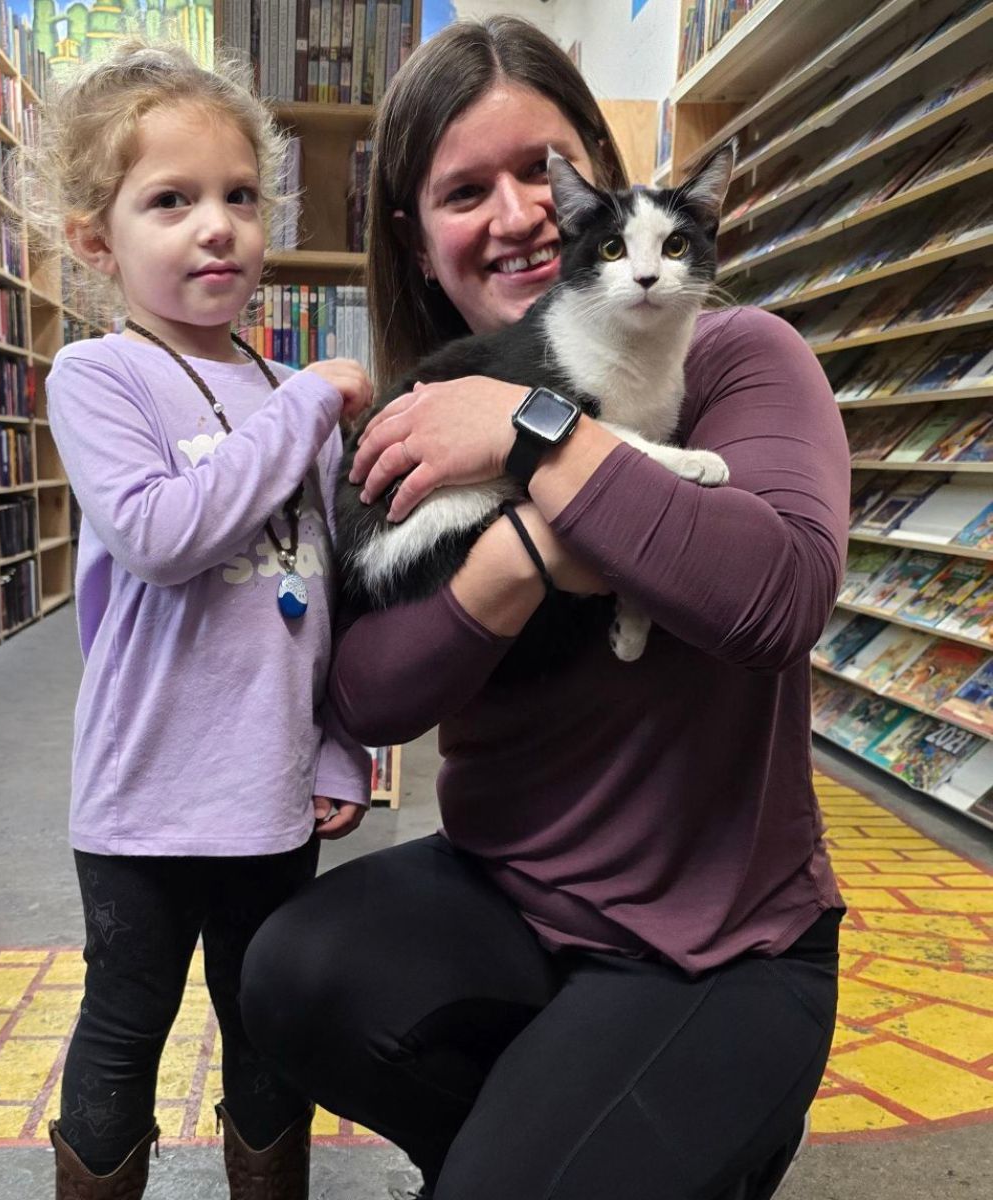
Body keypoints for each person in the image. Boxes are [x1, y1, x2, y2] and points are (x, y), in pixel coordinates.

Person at [241, 16, 849, 1200]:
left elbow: (778, 596)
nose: (522, 213)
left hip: (714, 949)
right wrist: (526, 553)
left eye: (545, 170)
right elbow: (365, 696)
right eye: (465, 189)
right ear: (416, 241)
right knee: (291, 975)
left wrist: (526, 434)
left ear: (602, 191)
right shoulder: (420, 416)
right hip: (509, 897)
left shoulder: (742, 355)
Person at [21, 40, 374, 1200]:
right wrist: (319, 400)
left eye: (236, 197)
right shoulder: (98, 377)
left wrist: (339, 742)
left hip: (269, 795)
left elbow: (320, 592)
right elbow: (165, 534)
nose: (213, 226)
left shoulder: (277, 394)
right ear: (96, 240)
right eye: (168, 201)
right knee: (123, 1027)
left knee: (270, 1032)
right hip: (142, 800)